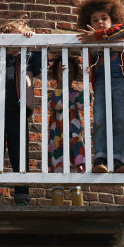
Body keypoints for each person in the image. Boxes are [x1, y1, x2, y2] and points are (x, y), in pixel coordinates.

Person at [0, 18, 42, 206]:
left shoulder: (28, 58)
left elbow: (41, 64)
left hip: (19, 110)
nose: (15, 44)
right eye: (10, 40)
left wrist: (32, 41)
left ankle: (22, 194)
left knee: (19, 152)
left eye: (19, 39)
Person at [76, 0, 124, 173]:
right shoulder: (92, 42)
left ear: (112, 19)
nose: (100, 22)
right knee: (100, 118)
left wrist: (98, 36)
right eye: (95, 21)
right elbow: (90, 60)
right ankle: (100, 157)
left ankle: (118, 158)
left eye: (104, 18)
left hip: (119, 81)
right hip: (101, 82)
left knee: (119, 119)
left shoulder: (116, 32)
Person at [46, 48, 87, 205]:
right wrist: (62, 86)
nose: (66, 74)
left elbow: (84, 104)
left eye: (69, 71)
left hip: (74, 137)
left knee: (75, 169)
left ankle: (78, 205)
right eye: (62, 70)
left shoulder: (77, 94)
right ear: (56, 74)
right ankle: (57, 205)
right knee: (58, 168)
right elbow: (56, 104)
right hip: (57, 136)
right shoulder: (53, 93)